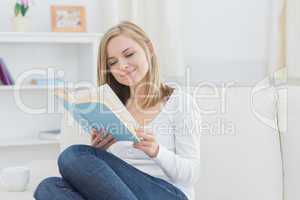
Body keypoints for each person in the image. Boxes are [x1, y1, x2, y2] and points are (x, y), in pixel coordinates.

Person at [34, 21, 201, 200]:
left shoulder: (180, 103)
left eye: (129, 54)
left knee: (72, 156)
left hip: (166, 194)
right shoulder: (111, 106)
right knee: (48, 187)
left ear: (149, 49)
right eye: (113, 62)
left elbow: (191, 174)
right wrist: (100, 153)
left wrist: (156, 151)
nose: (122, 66)